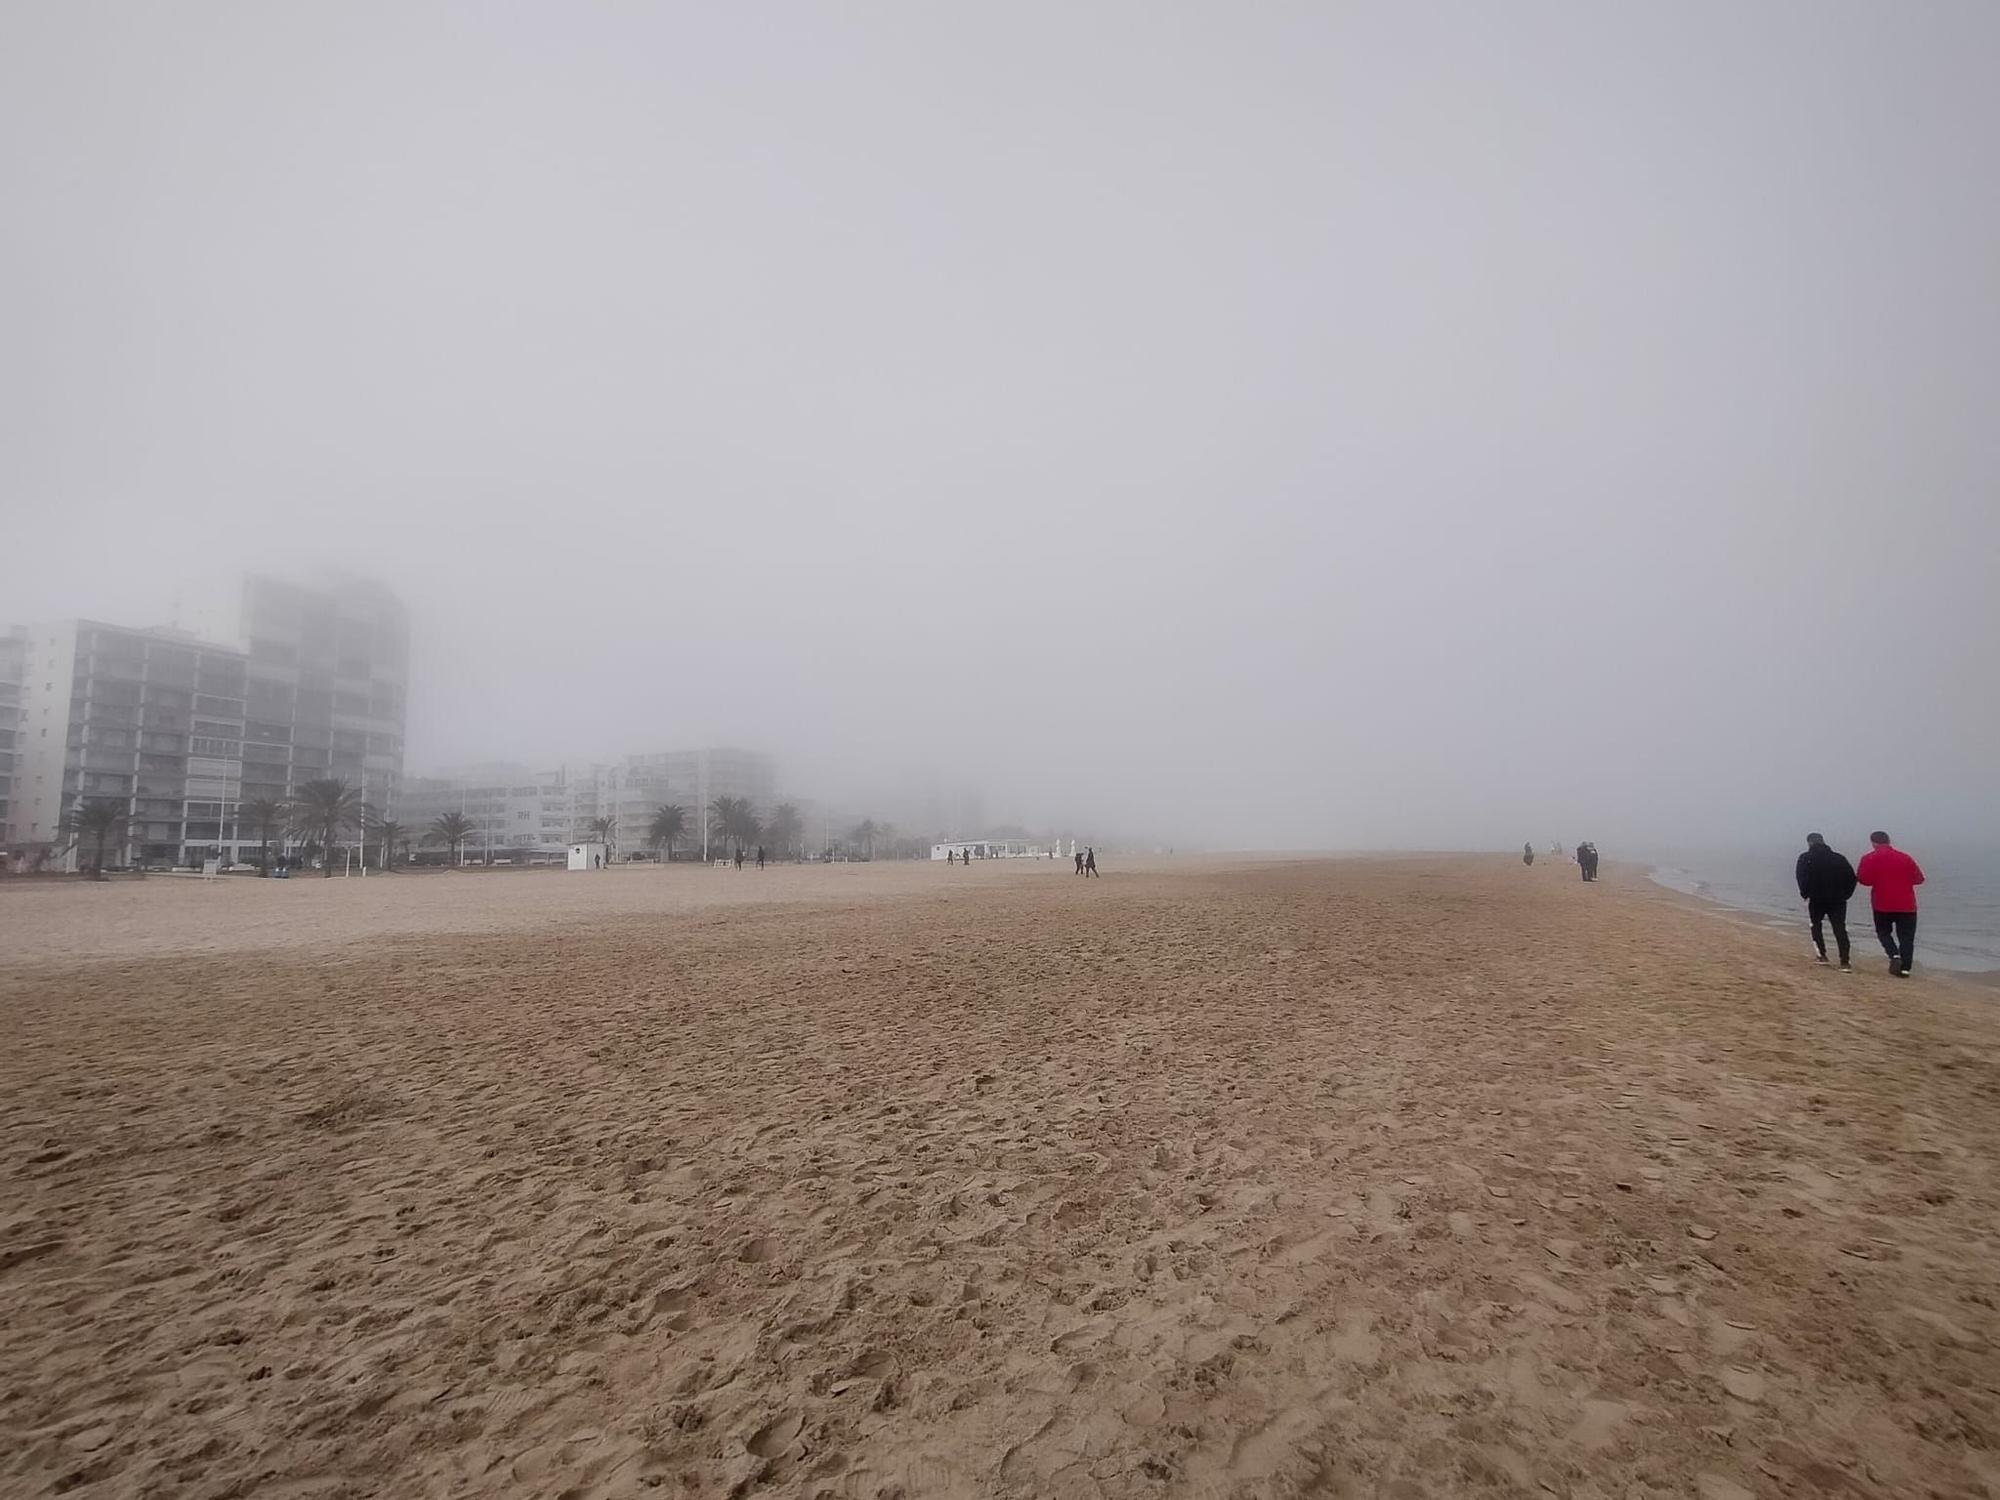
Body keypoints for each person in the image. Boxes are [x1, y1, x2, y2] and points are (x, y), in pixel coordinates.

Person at [1855, 831, 1924, 977]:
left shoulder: (1869, 858)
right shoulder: (1905, 858)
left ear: (1873, 843)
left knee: (1883, 932)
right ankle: (1905, 969)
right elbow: (1919, 879)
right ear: (1888, 841)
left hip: (1882, 903)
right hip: (1906, 904)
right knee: (1906, 937)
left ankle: (1894, 954)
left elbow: (1863, 880)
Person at [1794, 833, 1857, 970]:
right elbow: (1851, 878)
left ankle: (1822, 955)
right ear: (1823, 841)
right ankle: (1845, 961)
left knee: (1815, 926)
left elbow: (1801, 877)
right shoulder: (1839, 858)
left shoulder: (1806, 858)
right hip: (1838, 899)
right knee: (1840, 928)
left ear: (1810, 843)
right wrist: (1846, 894)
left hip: (1816, 898)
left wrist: (1804, 893)